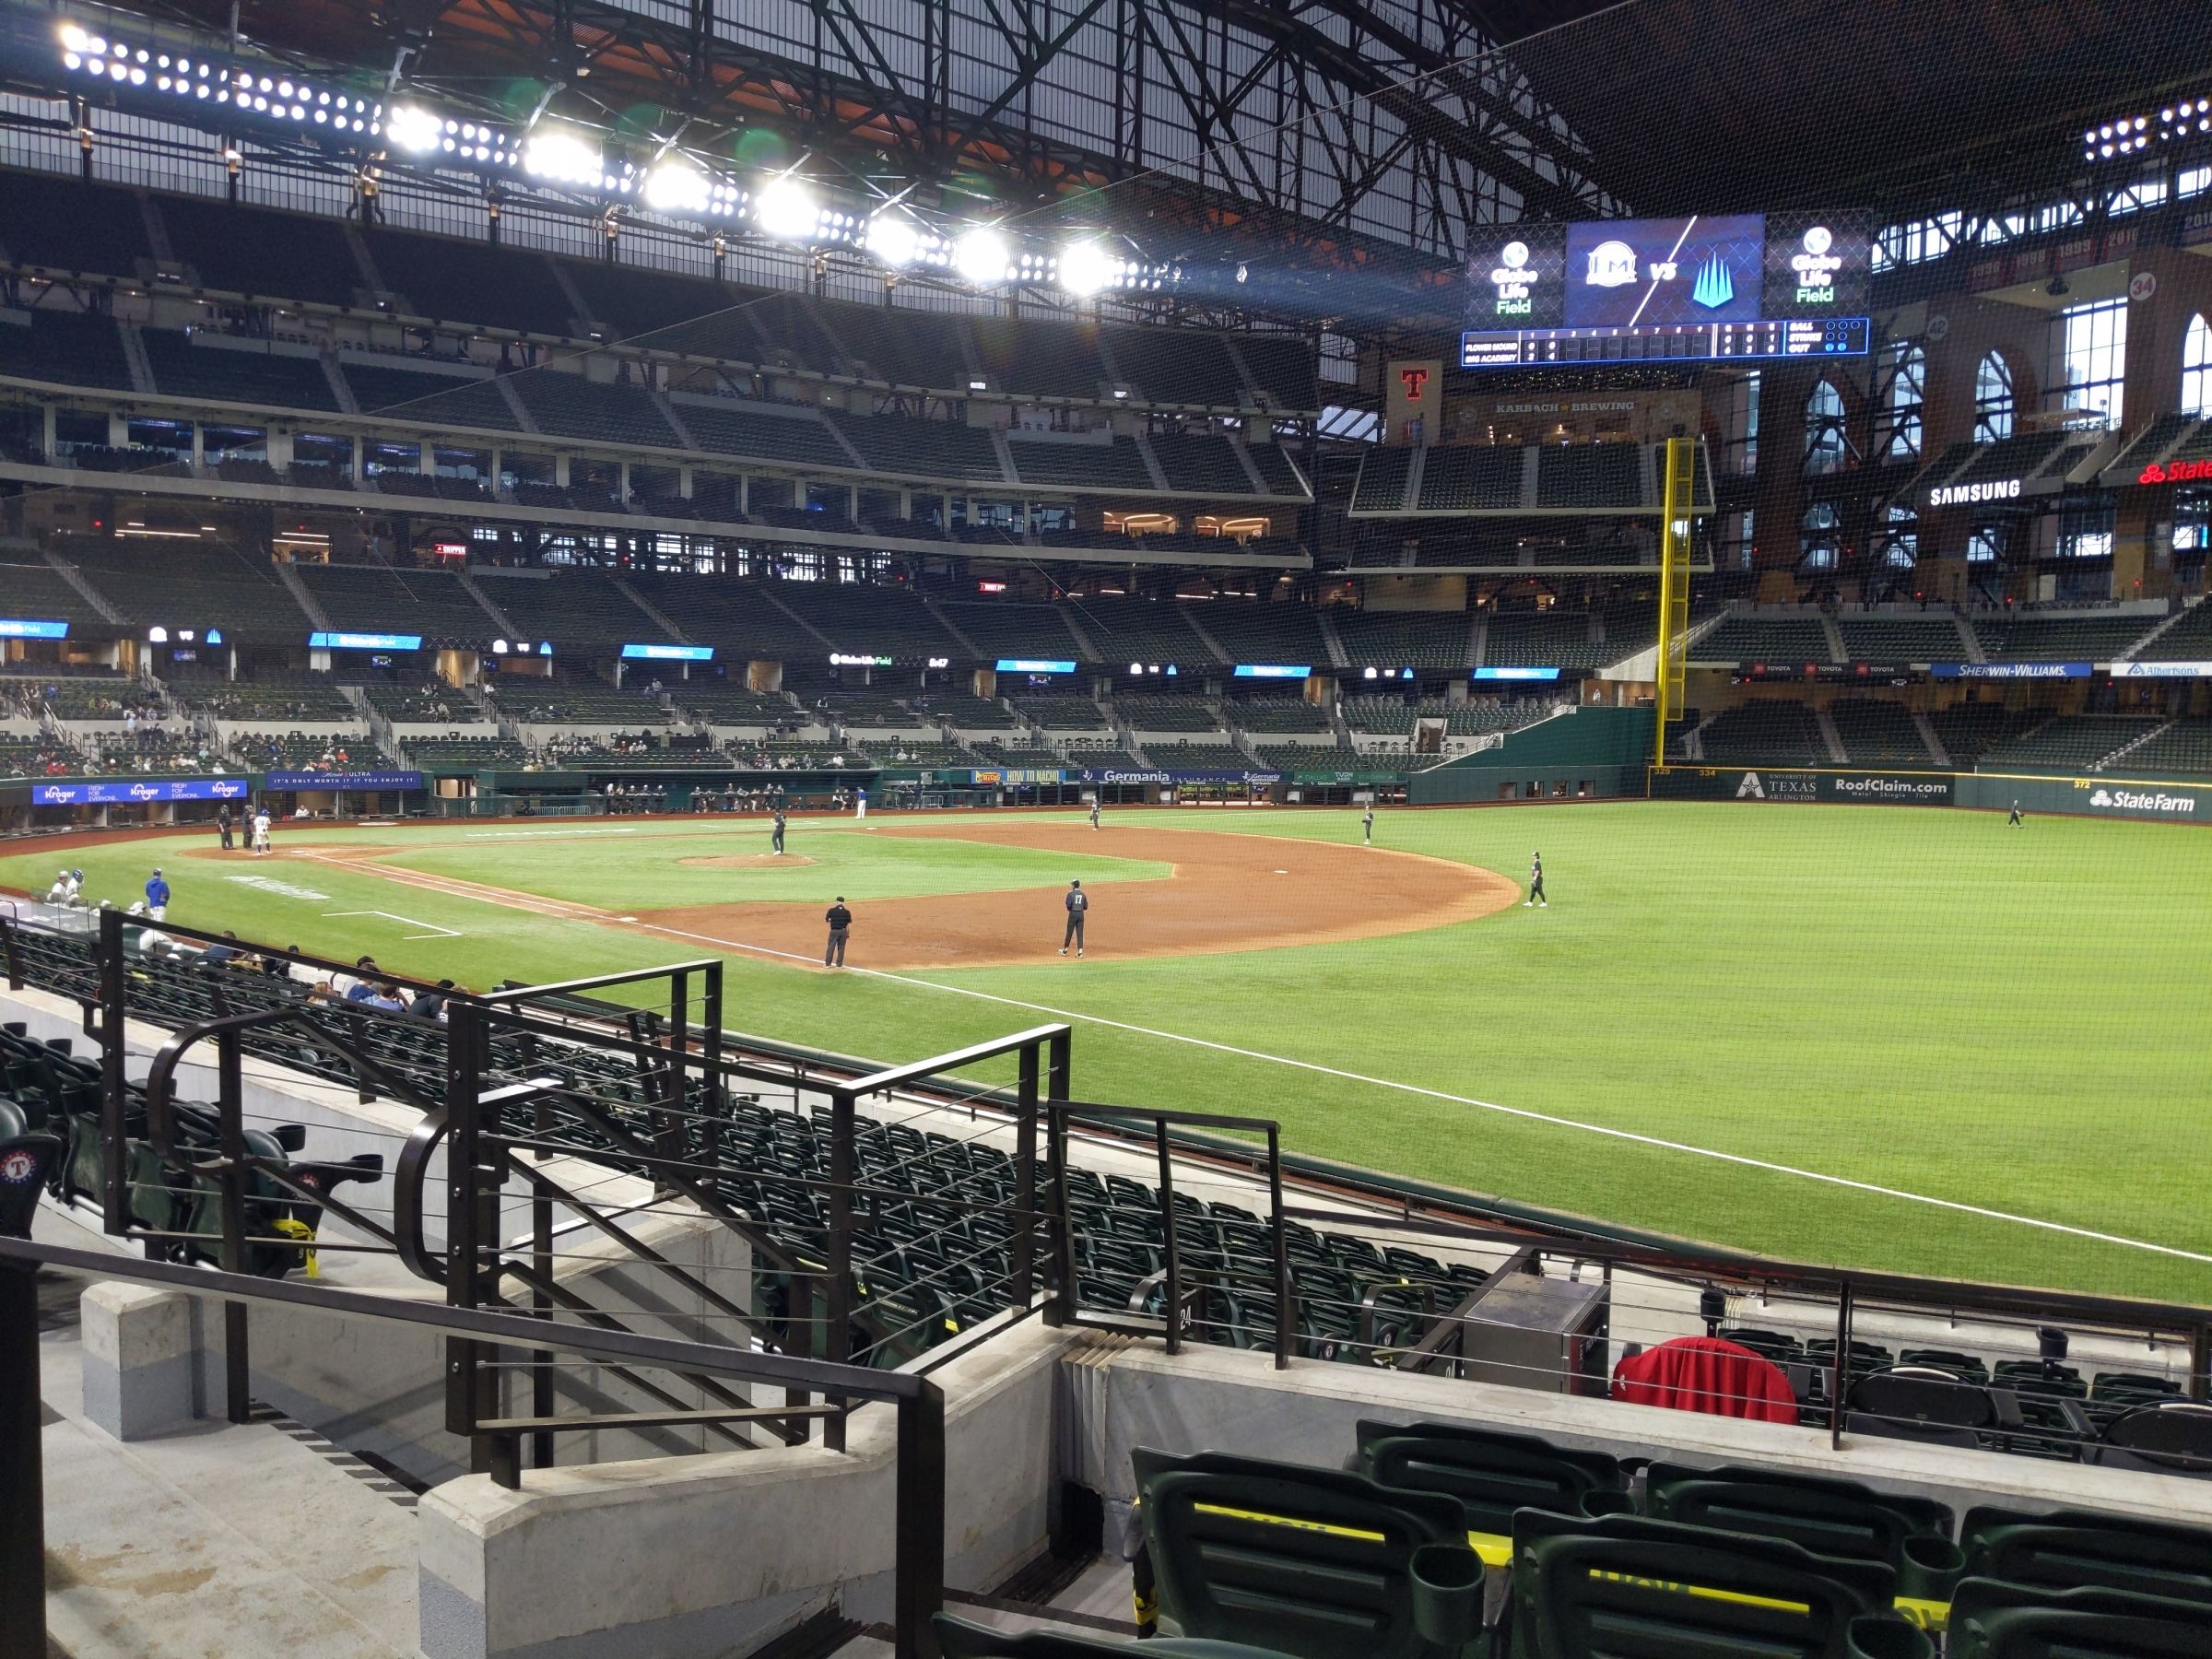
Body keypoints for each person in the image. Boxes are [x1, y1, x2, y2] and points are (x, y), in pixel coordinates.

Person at [1060, 878, 1088, 957]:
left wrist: (1071, 909)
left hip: (1073, 914)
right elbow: (1086, 906)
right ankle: (1080, 952)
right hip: (1081, 914)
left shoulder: (1070, 894)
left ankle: (1065, 950)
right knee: (1080, 933)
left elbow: (1068, 905)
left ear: (1073, 886)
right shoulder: (1083, 894)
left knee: (1069, 932)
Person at [823, 896, 853, 968]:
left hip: (834, 931)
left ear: (837, 902)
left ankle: (827, 964)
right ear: (843, 903)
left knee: (831, 947)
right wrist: (847, 934)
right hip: (843, 932)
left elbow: (827, 920)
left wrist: (831, 919)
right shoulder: (847, 912)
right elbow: (848, 925)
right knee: (841, 948)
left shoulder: (831, 910)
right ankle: (839, 965)